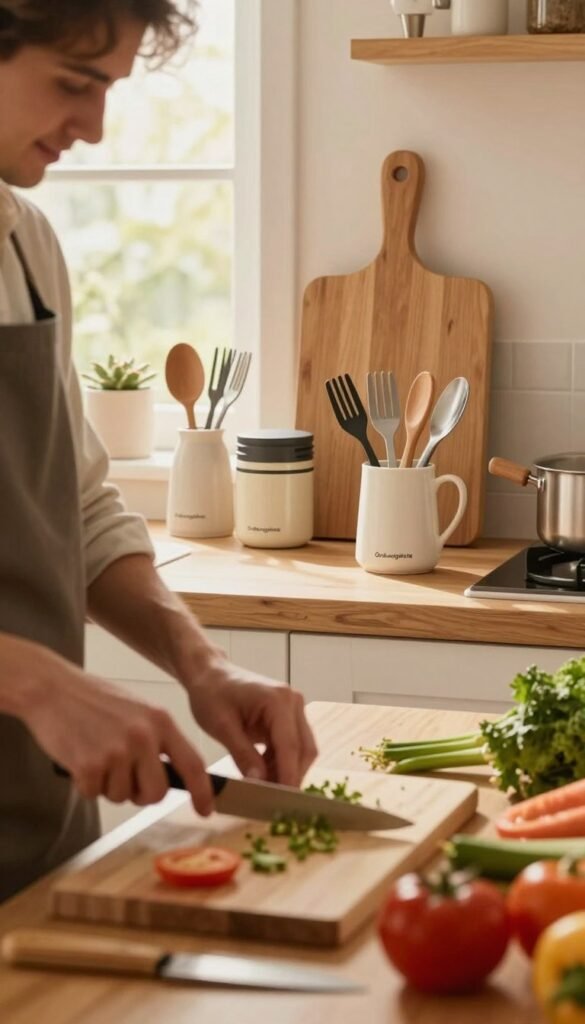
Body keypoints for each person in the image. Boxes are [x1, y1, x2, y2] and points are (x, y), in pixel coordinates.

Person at [0, 0, 318, 902]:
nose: (95, 129)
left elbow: (79, 507)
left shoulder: (25, 246)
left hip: (30, 822)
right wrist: (35, 682)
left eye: (108, 90)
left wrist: (200, 662)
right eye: (73, 84)